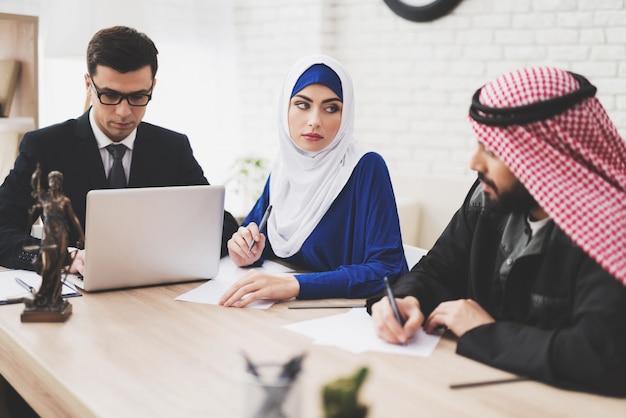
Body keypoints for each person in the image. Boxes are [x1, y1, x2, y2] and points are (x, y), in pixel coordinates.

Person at [369, 67, 626, 396]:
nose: (474, 162)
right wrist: (407, 299)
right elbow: (439, 269)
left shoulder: (609, 229)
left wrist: (486, 332)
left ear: (543, 156)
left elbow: (600, 354)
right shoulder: (488, 197)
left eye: (491, 150)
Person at [0, 26, 239, 275]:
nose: (124, 111)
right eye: (110, 95)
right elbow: (3, 231)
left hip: (156, 289)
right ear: (88, 85)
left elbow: (219, 225)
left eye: (138, 97)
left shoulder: (172, 147)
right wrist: (63, 256)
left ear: (152, 88)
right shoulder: (45, 147)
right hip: (78, 296)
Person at [219, 55, 407, 307]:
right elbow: (256, 240)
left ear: (346, 113)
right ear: (285, 108)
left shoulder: (366, 167)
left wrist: (295, 285)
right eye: (302, 104)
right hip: (278, 314)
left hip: (340, 318)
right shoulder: (285, 167)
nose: (314, 120)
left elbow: (388, 268)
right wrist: (243, 253)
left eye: (331, 108)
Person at [28, 167, 84, 309]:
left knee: (57, 267)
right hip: (48, 236)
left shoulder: (64, 200)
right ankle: (43, 294)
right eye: (51, 180)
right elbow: (35, 188)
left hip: (61, 235)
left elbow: (73, 219)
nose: (53, 182)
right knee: (47, 265)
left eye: (56, 180)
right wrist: (36, 175)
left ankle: (55, 296)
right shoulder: (45, 197)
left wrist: (81, 234)